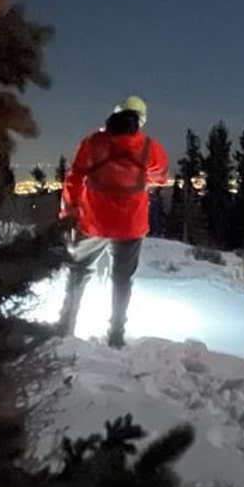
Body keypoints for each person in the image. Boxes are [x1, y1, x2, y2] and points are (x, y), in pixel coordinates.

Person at [56, 96, 169, 348]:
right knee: (122, 280)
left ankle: (65, 328)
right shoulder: (149, 146)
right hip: (131, 225)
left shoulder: (93, 143)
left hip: (92, 221)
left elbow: (74, 177)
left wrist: (68, 213)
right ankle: (116, 335)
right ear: (141, 119)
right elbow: (160, 176)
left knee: (78, 272)